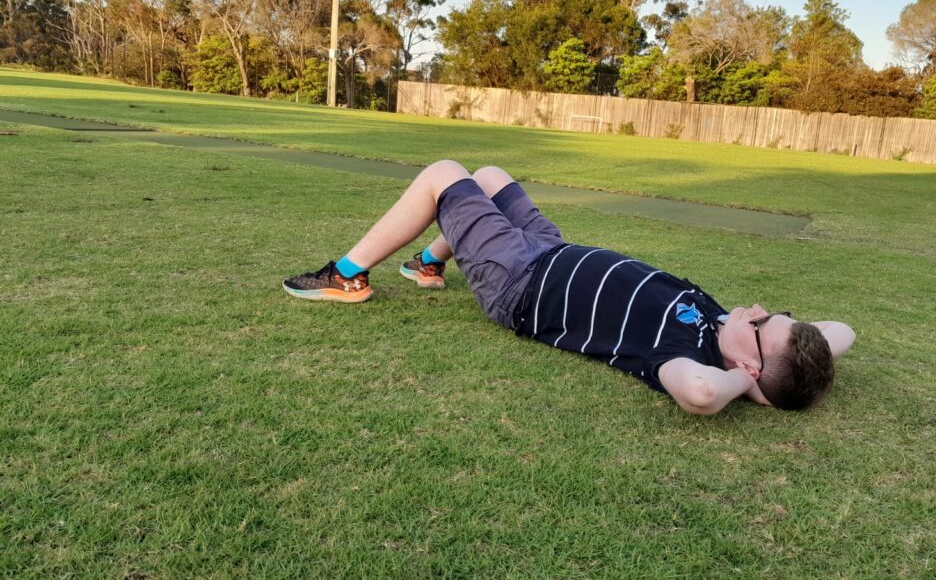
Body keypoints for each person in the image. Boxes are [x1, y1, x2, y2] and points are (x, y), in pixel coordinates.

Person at [284, 161, 855, 415]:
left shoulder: (689, 358)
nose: (753, 308)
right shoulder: (727, 328)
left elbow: (700, 396)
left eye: (760, 322)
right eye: (771, 311)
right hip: (551, 249)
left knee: (441, 174)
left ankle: (346, 275)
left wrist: (740, 384)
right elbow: (842, 332)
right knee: (487, 177)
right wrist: (770, 359)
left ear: (749, 366)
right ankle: (429, 265)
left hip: (521, 283)